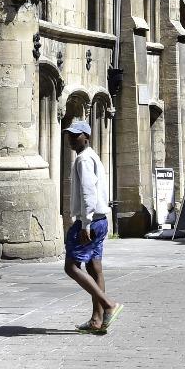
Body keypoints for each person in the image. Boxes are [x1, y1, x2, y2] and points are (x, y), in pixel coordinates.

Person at [63, 119, 121, 334]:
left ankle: (108, 304)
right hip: (101, 220)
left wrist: (85, 223)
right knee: (94, 267)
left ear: (86, 137)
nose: (71, 138)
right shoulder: (93, 156)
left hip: (89, 221)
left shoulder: (84, 159)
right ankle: (98, 319)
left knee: (71, 266)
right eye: (70, 134)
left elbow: (88, 192)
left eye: (76, 135)